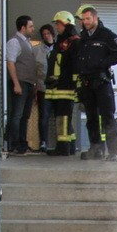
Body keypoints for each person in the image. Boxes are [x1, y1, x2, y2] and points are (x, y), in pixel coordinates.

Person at [75, 4, 117, 161]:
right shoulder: (83, 37)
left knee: (107, 117)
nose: (85, 22)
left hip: (101, 81)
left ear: (95, 18)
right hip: (87, 83)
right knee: (91, 118)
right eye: (83, 19)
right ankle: (95, 149)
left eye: (88, 18)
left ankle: (113, 152)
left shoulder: (107, 35)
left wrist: (103, 63)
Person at [44, 12, 80, 157]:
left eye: (58, 24)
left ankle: (63, 147)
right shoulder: (63, 41)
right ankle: (69, 146)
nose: (56, 27)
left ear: (66, 24)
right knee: (64, 117)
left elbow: (76, 65)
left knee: (63, 117)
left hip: (66, 87)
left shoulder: (74, 42)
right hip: (58, 86)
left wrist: (76, 85)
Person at [5, 15, 36, 155]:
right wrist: (16, 83)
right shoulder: (14, 42)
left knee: (25, 115)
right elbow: (10, 62)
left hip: (28, 83)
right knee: (17, 114)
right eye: (30, 26)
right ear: (23, 27)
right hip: (20, 82)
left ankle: (23, 144)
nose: (33, 28)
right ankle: (15, 144)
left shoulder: (28, 43)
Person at [33, 24, 55, 152]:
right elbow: (34, 70)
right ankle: (43, 142)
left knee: (59, 116)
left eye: (48, 33)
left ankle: (61, 142)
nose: (47, 36)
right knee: (44, 115)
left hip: (58, 88)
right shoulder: (36, 50)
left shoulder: (60, 47)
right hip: (42, 87)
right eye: (44, 34)